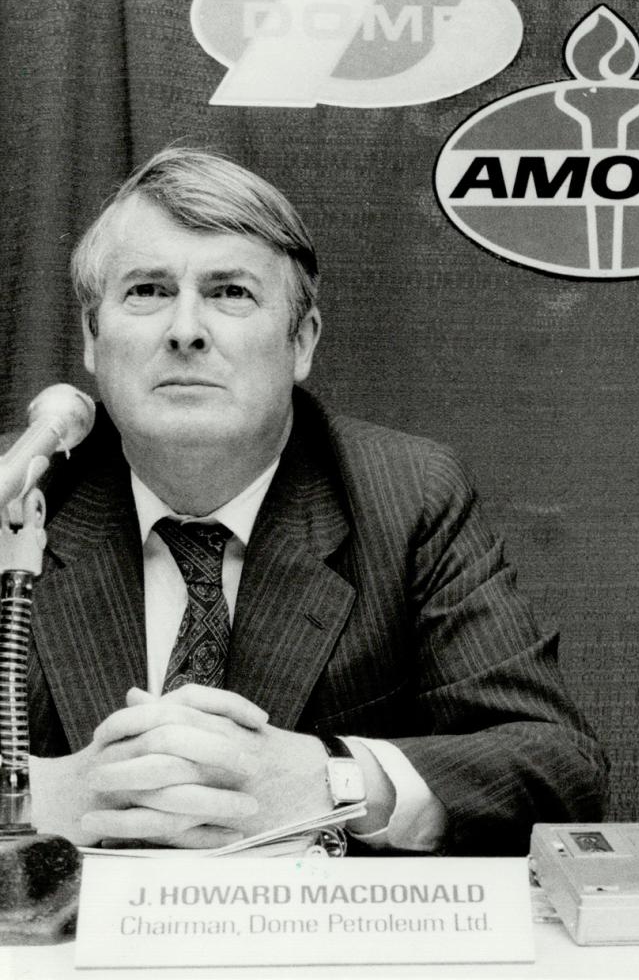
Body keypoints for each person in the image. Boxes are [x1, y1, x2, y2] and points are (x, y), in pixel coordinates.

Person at [21, 147, 608, 855]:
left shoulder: (405, 498)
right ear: (91, 338)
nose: (184, 329)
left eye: (230, 292)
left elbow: (557, 766)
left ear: (301, 342)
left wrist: (335, 784)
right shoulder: (24, 494)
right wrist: (37, 796)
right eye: (146, 290)